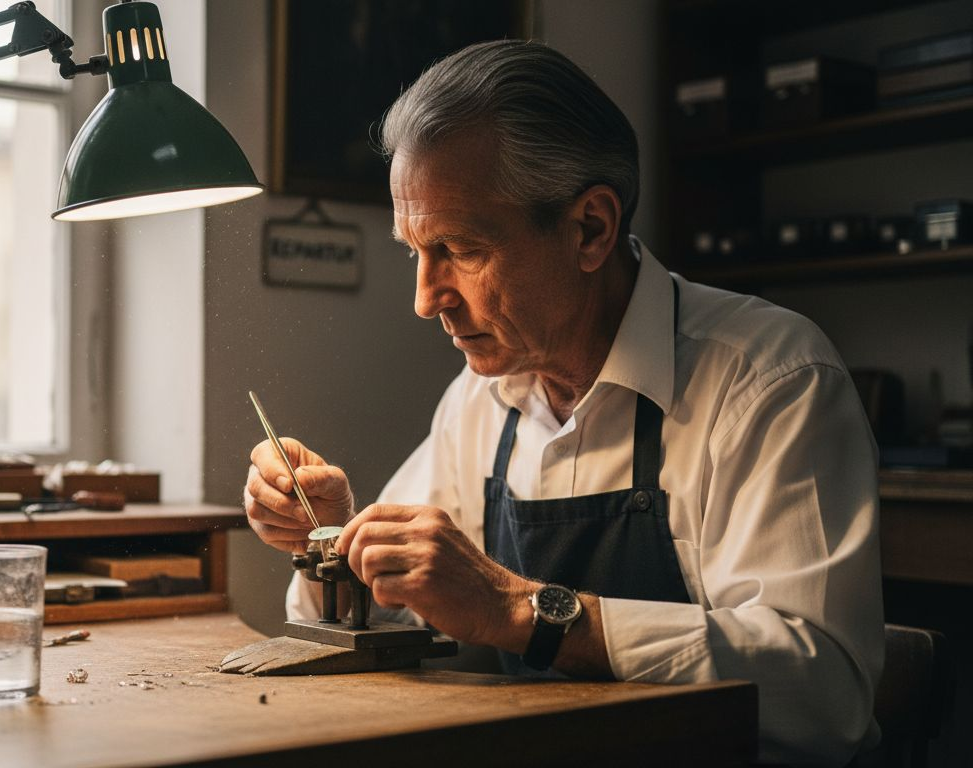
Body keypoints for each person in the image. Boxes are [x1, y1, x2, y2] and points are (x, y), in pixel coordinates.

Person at [242, 40, 884, 767]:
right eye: (414, 251)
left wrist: (521, 612)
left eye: (460, 248)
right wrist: (332, 547)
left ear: (591, 229)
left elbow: (825, 695)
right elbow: (391, 617)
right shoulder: (480, 403)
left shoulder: (769, 381)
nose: (426, 300)